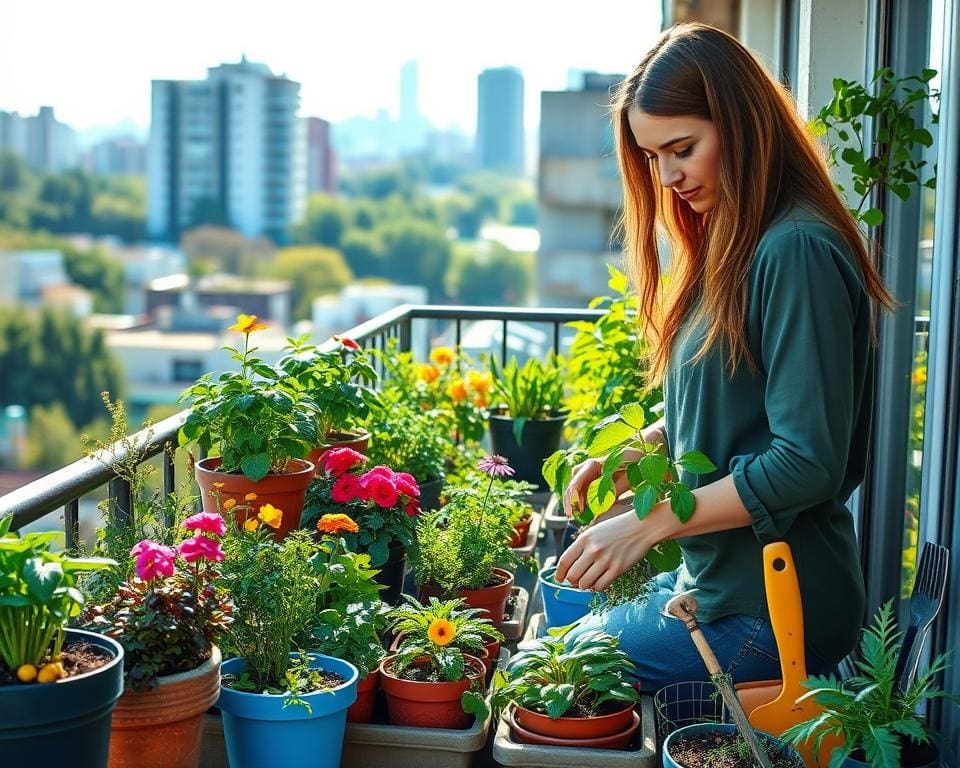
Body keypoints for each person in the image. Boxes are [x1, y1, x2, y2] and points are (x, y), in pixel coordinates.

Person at [554, 22, 893, 693]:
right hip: (716, 587)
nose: (668, 176)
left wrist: (648, 525)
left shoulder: (794, 251)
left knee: (560, 669)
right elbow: (733, 402)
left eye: (682, 148)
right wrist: (638, 450)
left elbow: (805, 463)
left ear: (741, 125)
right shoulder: (733, 241)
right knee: (561, 648)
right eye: (653, 157)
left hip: (775, 607)